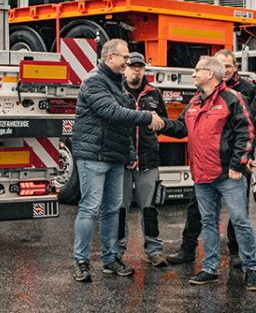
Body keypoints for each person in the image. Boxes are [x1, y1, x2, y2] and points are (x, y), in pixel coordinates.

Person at [72, 39, 164, 283]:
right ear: (109, 57)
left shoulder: (118, 83)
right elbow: (112, 112)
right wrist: (147, 116)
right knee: (90, 207)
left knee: (112, 209)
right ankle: (81, 261)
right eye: (124, 57)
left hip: (114, 156)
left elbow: (124, 125)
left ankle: (111, 259)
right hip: (94, 155)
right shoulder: (94, 81)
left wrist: (130, 155)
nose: (127, 61)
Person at [160, 56, 256, 289]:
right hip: (202, 175)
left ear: (210, 74)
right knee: (209, 222)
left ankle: (251, 268)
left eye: (196, 71)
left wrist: (236, 165)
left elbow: (247, 132)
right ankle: (210, 269)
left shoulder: (232, 99)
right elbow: (182, 127)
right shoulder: (194, 102)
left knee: (241, 221)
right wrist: (160, 123)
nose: (193, 75)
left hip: (228, 175)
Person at [117, 52, 168, 267]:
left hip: (148, 160)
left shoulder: (154, 94)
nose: (136, 70)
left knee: (150, 208)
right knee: (119, 208)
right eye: (132, 66)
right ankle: (117, 250)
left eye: (140, 67)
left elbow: (161, 121)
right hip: (122, 161)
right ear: (125, 68)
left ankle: (154, 250)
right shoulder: (117, 92)